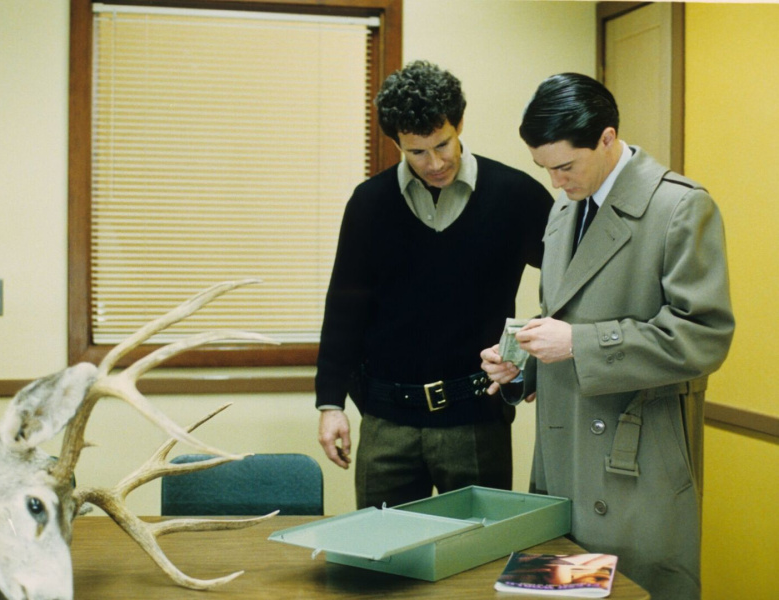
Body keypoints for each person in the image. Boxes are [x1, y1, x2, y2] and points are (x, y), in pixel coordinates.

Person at [481, 73, 734, 600]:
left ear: (606, 138)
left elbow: (703, 336)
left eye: (565, 166)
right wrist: (523, 363)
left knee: (636, 591)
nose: (556, 181)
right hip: (562, 451)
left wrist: (578, 343)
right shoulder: (565, 208)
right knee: (560, 591)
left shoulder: (680, 206)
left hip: (636, 457)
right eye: (545, 168)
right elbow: (568, 312)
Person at [315, 60, 553, 509]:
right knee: (381, 551)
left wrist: (531, 353)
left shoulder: (517, 195)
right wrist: (330, 404)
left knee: (479, 548)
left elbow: (574, 283)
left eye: (443, 144)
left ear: (459, 124)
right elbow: (344, 308)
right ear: (397, 143)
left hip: (477, 420)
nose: (436, 162)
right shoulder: (368, 204)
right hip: (386, 426)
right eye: (418, 152)